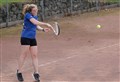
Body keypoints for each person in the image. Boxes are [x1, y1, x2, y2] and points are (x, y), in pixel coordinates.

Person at [16, 4, 52, 82]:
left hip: (32, 38)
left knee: (35, 55)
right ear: (30, 11)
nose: (36, 11)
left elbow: (35, 26)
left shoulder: (34, 16)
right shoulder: (27, 15)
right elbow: (35, 22)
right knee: (24, 55)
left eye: (36, 10)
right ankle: (19, 72)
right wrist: (46, 24)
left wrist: (42, 29)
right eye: (34, 10)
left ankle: (36, 73)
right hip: (25, 37)